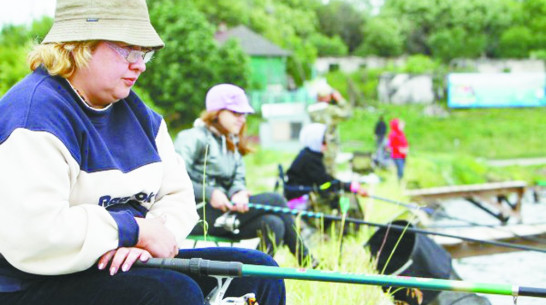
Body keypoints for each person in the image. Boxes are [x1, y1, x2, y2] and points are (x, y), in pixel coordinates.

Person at [0, 1, 285, 305]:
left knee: (258, 273)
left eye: (143, 52)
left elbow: (178, 197)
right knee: (172, 294)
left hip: (120, 264)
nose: (141, 64)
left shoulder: (144, 118)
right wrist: (131, 231)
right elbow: (36, 234)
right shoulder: (32, 115)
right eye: (127, 49)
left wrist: (151, 240)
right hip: (30, 283)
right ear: (78, 45)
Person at [174, 83, 316, 268]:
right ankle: (306, 259)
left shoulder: (233, 142)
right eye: (235, 113)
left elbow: (238, 179)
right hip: (196, 215)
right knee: (275, 199)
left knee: (274, 224)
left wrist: (239, 192)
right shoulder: (192, 137)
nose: (242, 119)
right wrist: (210, 193)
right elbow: (174, 178)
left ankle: (254, 275)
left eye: (244, 114)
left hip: (227, 215)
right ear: (217, 112)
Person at [284, 123, 368, 211]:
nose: (326, 145)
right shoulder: (309, 159)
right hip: (300, 200)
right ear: (314, 141)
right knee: (343, 199)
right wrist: (349, 186)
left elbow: (325, 182)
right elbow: (326, 183)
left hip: (302, 195)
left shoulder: (308, 155)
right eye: (323, 142)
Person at [307, 82, 352, 176]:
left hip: (313, 146)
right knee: (329, 173)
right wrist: (340, 99)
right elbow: (347, 114)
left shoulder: (311, 110)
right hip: (329, 147)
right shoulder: (329, 110)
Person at [388, 118, 409, 183]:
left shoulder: (401, 133)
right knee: (400, 170)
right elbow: (391, 145)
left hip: (403, 155)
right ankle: (399, 182)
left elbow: (404, 142)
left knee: (402, 168)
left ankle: (401, 181)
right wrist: (400, 149)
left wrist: (406, 148)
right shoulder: (393, 134)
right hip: (397, 155)